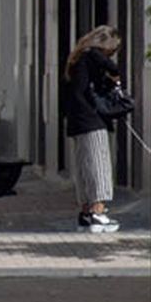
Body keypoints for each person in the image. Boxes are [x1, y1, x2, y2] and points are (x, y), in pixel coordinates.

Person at [64, 25, 122, 233]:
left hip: (76, 120)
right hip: (91, 119)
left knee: (85, 167)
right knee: (99, 164)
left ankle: (86, 213)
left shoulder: (77, 58)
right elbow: (113, 68)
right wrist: (114, 76)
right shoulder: (92, 54)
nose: (112, 54)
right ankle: (99, 212)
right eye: (113, 50)